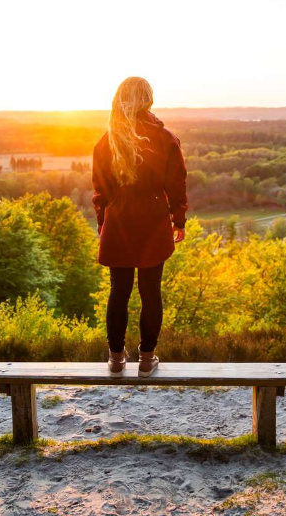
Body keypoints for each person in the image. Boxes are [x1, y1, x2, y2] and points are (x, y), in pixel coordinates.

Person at [91, 76, 188, 378]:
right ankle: (147, 359)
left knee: (118, 292)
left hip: (119, 219)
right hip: (154, 219)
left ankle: (116, 359)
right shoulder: (166, 138)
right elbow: (177, 184)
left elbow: (100, 192)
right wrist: (179, 220)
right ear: (149, 99)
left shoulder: (107, 140)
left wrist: (102, 224)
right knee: (150, 292)